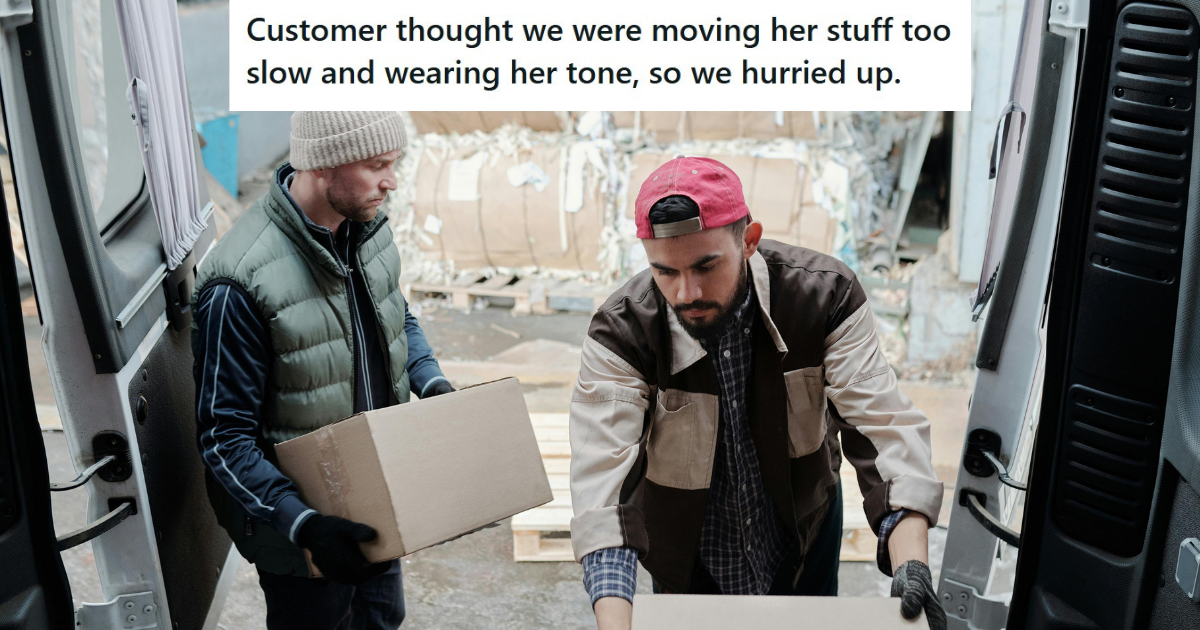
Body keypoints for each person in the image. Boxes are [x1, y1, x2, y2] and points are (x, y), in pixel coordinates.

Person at [568, 156, 947, 629]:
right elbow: (602, 486)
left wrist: (912, 563)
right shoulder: (621, 332)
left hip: (803, 535)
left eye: (706, 265)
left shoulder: (825, 298)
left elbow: (885, 426)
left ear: (748, 241)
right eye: (665, 272)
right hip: (688, 555)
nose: (687, 293)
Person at [191, 111, 453, 630]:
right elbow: (225, 438)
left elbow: (394, 313)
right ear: (321, 164)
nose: (391, 180)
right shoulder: (239, 283)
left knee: (381, 618)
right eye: (376, 164)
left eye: (393, 163)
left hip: (376, 490)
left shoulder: (367, 228)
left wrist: (432, 381)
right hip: (302, 529)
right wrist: (307, 526)